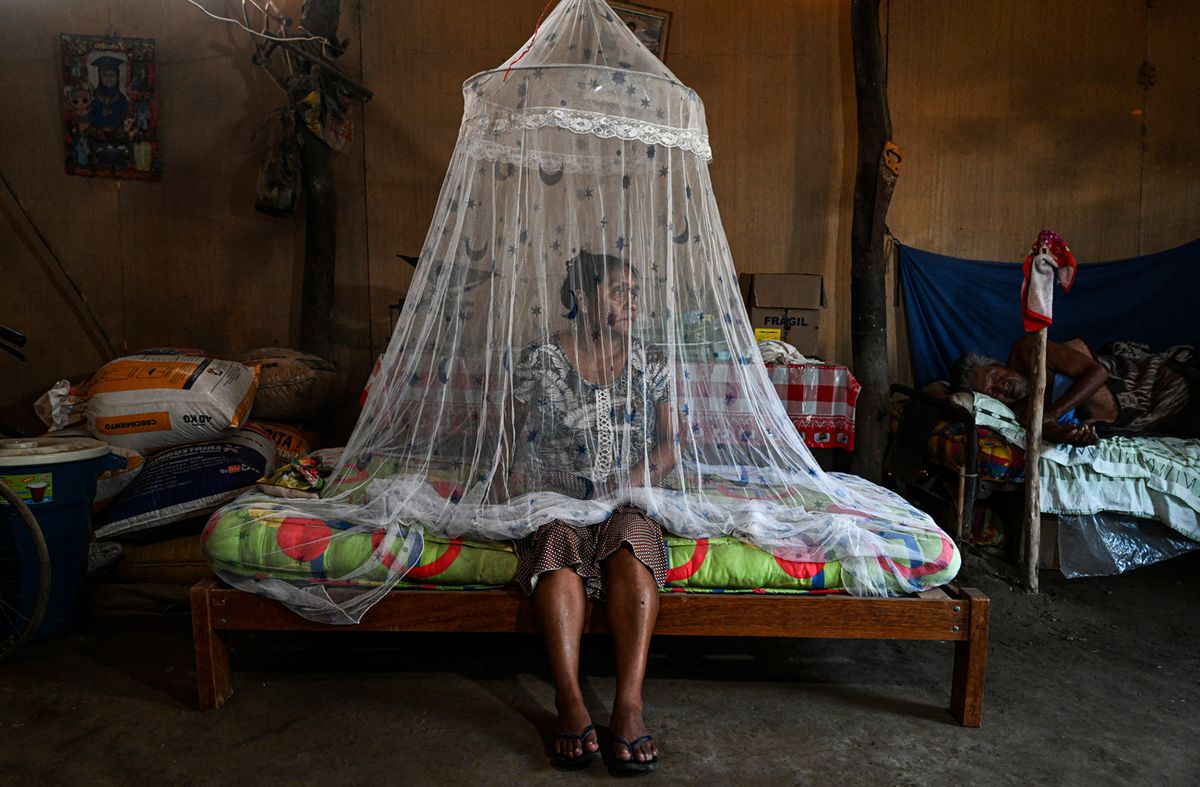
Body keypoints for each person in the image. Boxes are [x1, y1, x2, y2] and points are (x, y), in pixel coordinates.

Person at [508, 250, 673, 771]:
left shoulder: (652, 361)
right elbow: (511, 437)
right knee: (554, 538)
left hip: (627, 489)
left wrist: (626, 483)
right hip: (554, 488)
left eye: (634, 292)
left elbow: (672, 445)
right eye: (619, 291)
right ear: (582, 298)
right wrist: (512, 489)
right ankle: (570, 701)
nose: (631, 302)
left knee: (632, 539)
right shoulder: (540, 358)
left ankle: (629, 705)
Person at [949, 336, 1200, 445]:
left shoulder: (1026, 352)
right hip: (1133, 416)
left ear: (998, 364)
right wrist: (1071, 435)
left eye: (995, 376)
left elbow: (1098, 373)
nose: (1002, 387)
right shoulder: (1021, 414)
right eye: (993, 392)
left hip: (1141, 381)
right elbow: (1053, 431)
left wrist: (1054, 411)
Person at [90, 55, 130, 130]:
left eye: (112, 75)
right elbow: (91, 116)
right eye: (105, 75)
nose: (108, 78)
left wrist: (113, 113)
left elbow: (125, 118)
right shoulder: (94, 97)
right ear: (100, 77)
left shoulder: (121, 99)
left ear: (117, 77)